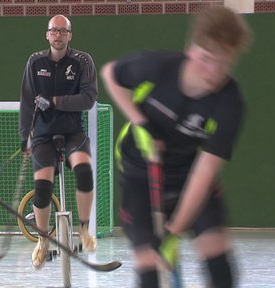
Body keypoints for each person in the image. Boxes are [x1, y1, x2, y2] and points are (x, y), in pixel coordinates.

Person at [101, 6, 252, 287]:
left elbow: (204, 172)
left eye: (224, 63)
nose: (214, 72)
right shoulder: (157, 67)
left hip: (188, 173)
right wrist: (140, 121)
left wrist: (172, 231)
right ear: (191, 49)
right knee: (150, 267)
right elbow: (110, 73)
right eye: (207, 59)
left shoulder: (230, 102)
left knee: (218, 260)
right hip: (139, 173)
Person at [20, 14, 98, 269]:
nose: (58, 35)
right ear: (47, 34)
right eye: (54, 31)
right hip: (42, 134)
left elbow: (88, 99)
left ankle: (84, 229)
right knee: (43, 187)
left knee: (85, 171)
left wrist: (55, 101)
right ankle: (43, 240)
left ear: (69, 35)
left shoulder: (82, 61)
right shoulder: (35, 61)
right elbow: (27, 102)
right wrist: (25, 137)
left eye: (63, 31)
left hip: (73, 131)